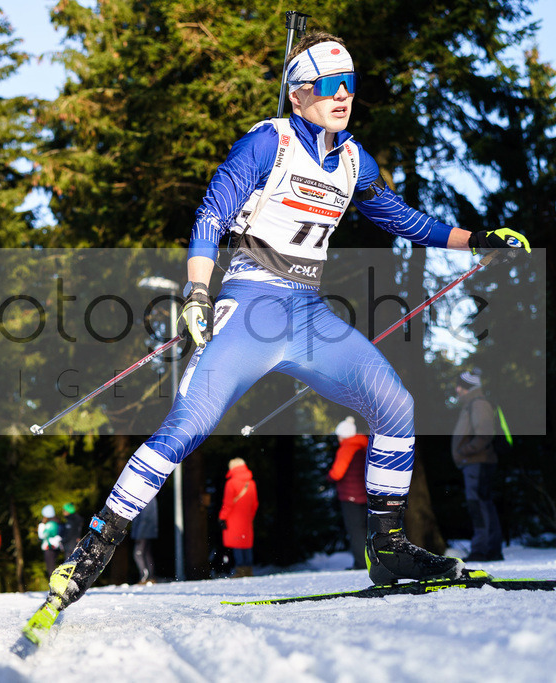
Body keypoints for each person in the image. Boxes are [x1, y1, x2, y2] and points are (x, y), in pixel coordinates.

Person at [30, 31, 530, 626]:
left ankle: (388, 547)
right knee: (188, 425)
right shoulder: (268, 142)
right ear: (298, 95)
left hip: (308, 314)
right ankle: (90, 554)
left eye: (350, 85)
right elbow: (210, 214)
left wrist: (477, 239)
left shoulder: (355, 160)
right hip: (251, 308)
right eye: (329, 86)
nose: (342, 96)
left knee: (396, 404)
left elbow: (401, 219)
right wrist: (197, 291)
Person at [451, 369, 504, 561]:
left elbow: (484, 434)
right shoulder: (472, 404)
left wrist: (465, 451)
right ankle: (490, 549)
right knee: (482, 503)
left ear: (469, 387)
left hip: (477, 462)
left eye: (461, 386)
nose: (457, 389)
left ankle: (482, 550)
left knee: (478, 504)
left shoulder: (479, 403)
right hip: (475, 462)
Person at [329, 416, 369, 569]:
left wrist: (329, 477)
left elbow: (337, 473)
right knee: (365, 528)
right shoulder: (364, 445)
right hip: (364, 494)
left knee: (355, 530)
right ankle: (371, 561)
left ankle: (361, 563)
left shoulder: (347, 448)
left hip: (350, 495)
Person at [219, 458, 259, 578]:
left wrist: (222, 517)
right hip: (246, 518)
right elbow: (255, 503)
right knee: (246, 543)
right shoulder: (251, 483)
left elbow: (228, 503)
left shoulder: (231, 483)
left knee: (237, 542)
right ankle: (248, 570)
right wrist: (250, 516)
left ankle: (240, 570)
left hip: (233, 518)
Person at [130, 498, 158, 584]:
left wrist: (139, 534)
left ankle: (144, 576)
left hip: (144, 532)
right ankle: (150, 577)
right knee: (146, 554)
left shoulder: (147, 498)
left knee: (138, 554)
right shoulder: (150, 498)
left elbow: (144, 518)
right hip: (147, 531)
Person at [37, 505, 63, 577]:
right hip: (56, 546)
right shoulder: (57, 522)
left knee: (50, 567)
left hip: (49, 546)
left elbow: (42, 535)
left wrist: (41, 526)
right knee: (54, 565)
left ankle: (53, 581)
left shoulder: (48, 524)